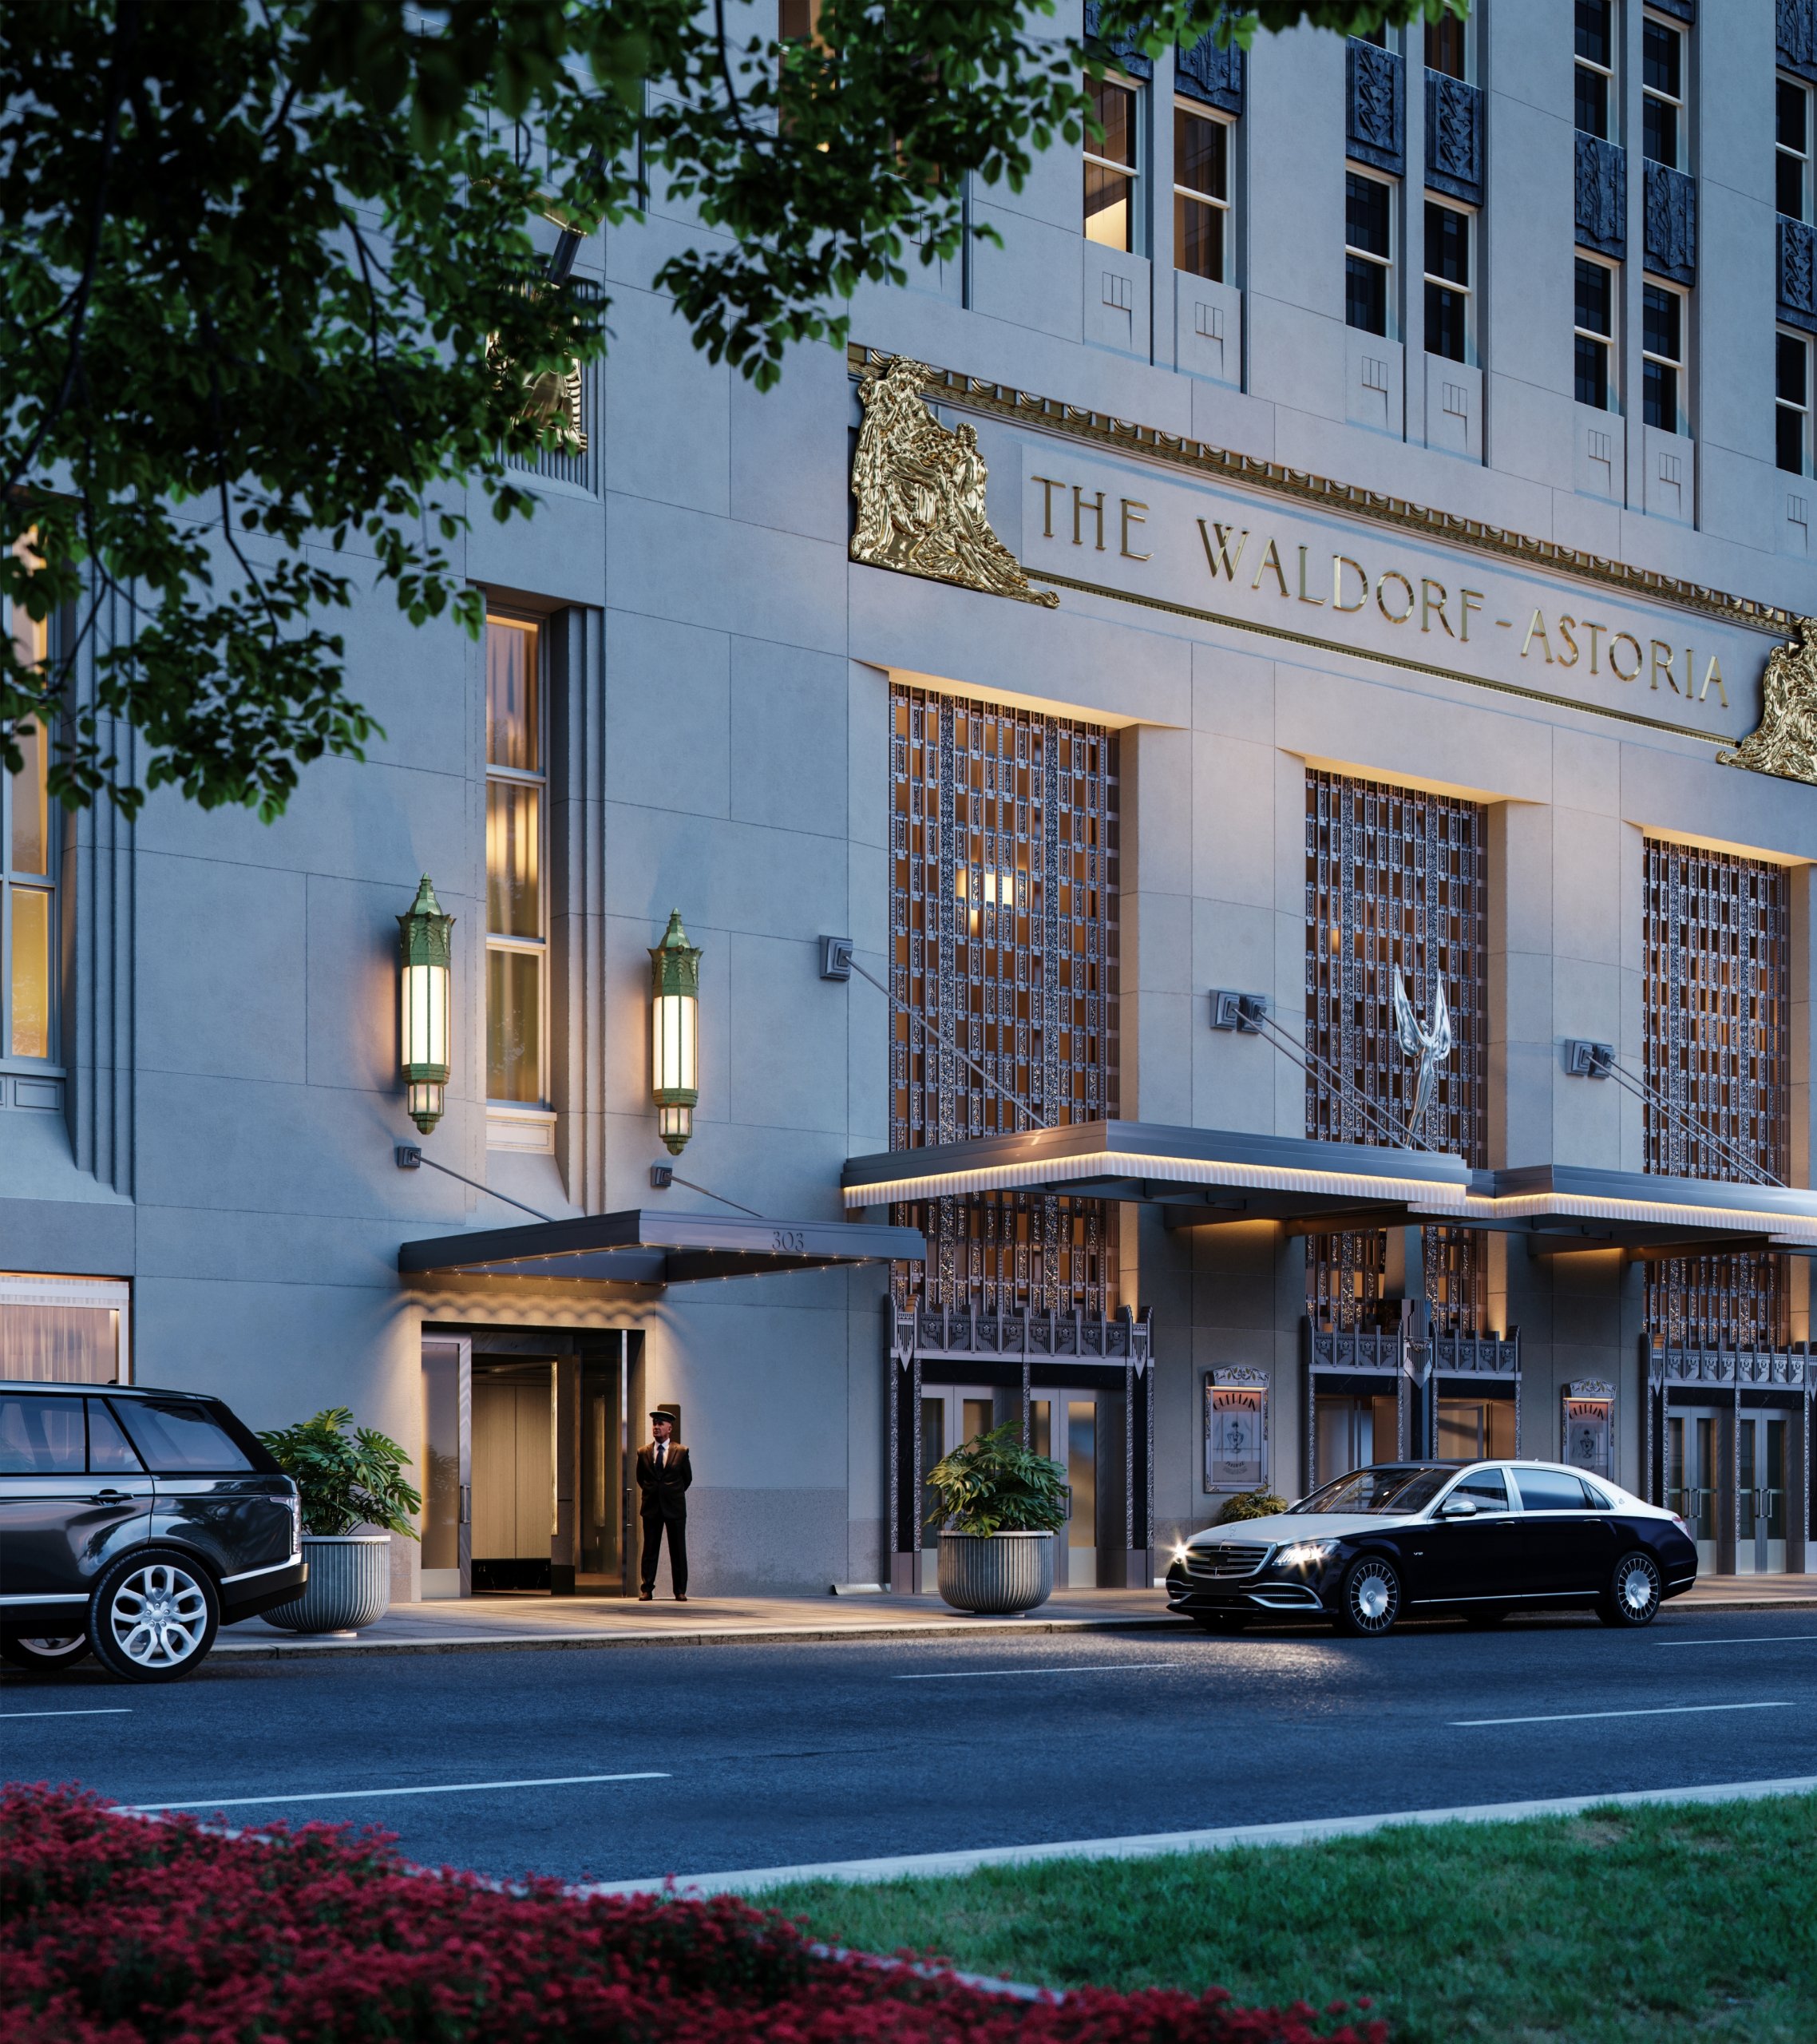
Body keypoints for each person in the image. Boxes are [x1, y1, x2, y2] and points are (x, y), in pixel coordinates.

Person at [635, 1409, 691, 1601]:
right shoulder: (643, 1452)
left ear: (670, 1428)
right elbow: (640, 1478)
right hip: (651, 1507)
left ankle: (680, 1590)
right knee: (650, 1550)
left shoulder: (682, 1451)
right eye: (654, 1424)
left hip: (674, 1508)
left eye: (660, 1424)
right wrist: (655, 1493)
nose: (656, 1427)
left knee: (678, 1550)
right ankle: (647, 1589)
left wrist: (670, 1493)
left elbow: (687, 1479)